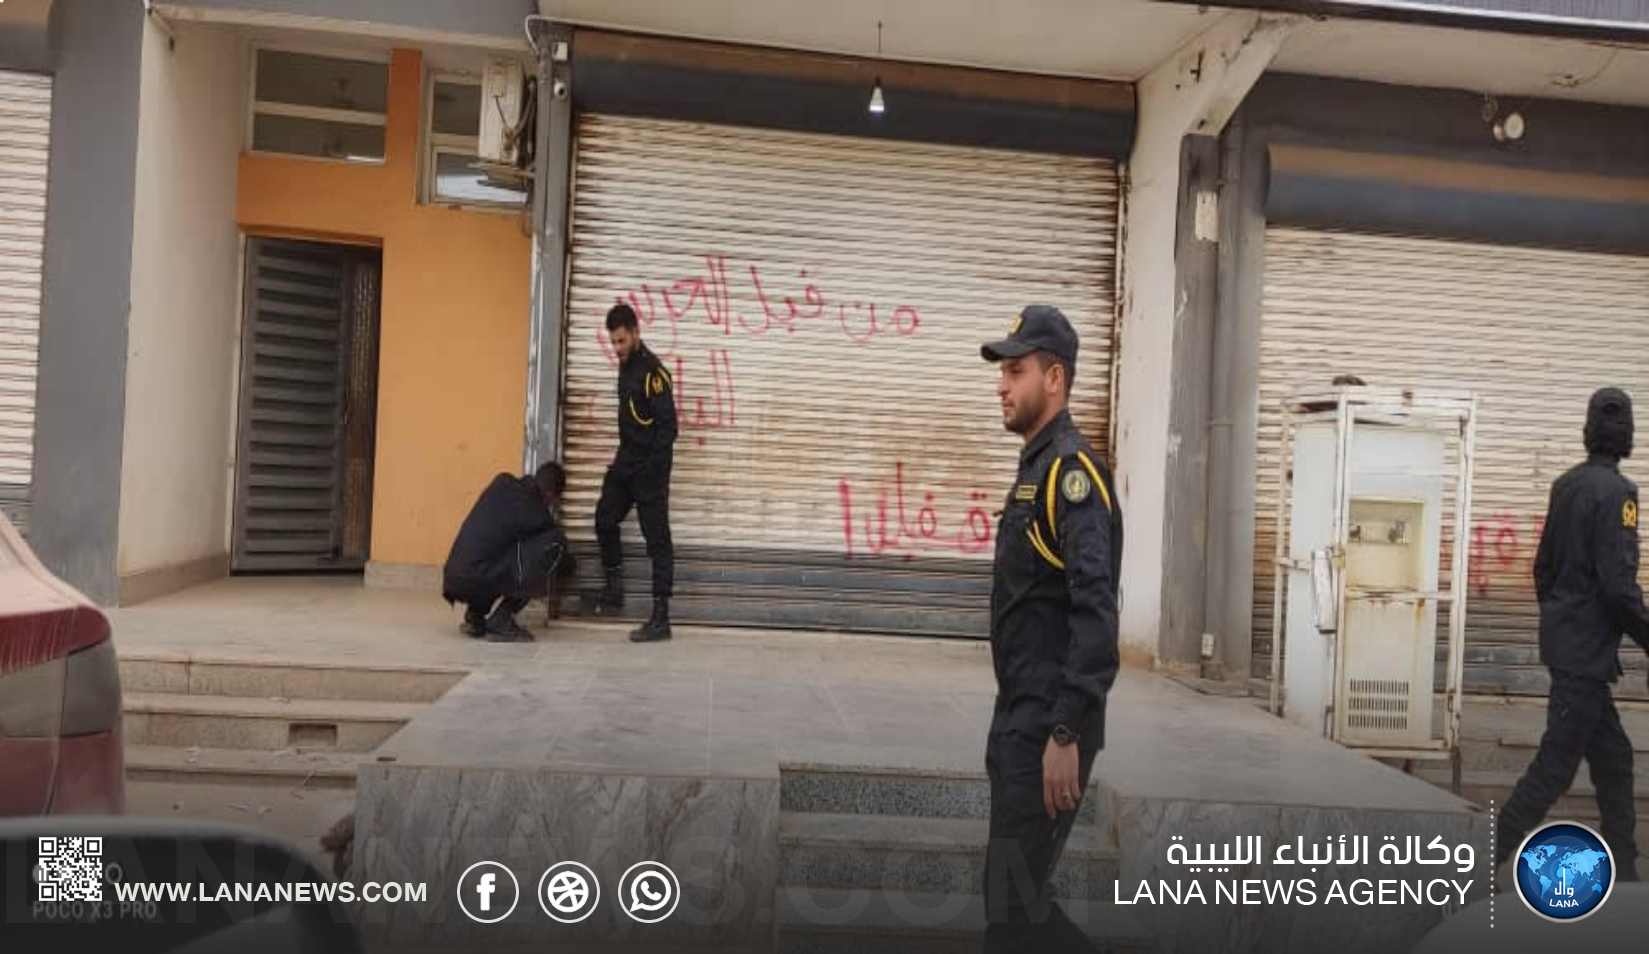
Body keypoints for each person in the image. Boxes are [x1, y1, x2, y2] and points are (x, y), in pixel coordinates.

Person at [978, 305, 1123, 952]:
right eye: (1002, 372)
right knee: (1015, 903)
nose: (1001, 386)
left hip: (1048, 727)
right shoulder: (1037, 469)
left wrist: (1066, 730)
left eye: (1016, 371)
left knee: (1012, 909)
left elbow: (1096, 612)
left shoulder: (1071, 476)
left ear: (1055, 378)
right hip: (1019, 717)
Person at [1496, 387, 1649, 880]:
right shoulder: (1620, 494)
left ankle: (1623, 871)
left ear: (1588, 431)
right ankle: (1480, 856)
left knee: (1615, 759)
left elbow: (1543, 568)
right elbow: (1618, 587)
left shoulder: (1565, 485)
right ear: (1627, 435)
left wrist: (1563, 618)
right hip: (1583, 657)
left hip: (1574, 650)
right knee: (1556, 766)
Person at [594, 302, 678, 643]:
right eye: (613, 342)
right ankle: (614, 589)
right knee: (604, 518)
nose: (617, 348)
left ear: (636, 333)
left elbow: (669, 429)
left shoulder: (654, 375)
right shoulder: (625, 365)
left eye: (622, 341)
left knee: (657, 541)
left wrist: (651, 472)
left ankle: (661, 618)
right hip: (625, 462)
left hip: (649, 469)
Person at [442, 461, 575, 643]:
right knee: (555, 543)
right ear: (550, 494)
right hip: (477, 578)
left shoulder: (502, 482)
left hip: (455, 578)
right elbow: (558, 558)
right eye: (555, 500)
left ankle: (475, 616)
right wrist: (569, 565)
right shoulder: (537, 514)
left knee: (498, 554)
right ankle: (501, 620)